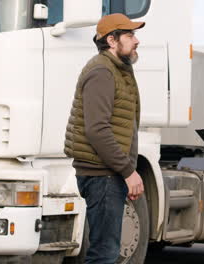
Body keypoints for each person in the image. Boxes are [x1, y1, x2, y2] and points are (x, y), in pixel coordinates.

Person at [64, 13, 145, 264]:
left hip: (108, 174)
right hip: (102, 175)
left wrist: (125, 172)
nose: (137, 40)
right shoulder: (102, 71)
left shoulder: (117, 69)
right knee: (104, 254)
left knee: (106, 250)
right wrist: (128, 171)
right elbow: (97, 129)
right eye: (130, 35)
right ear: (112, 40)